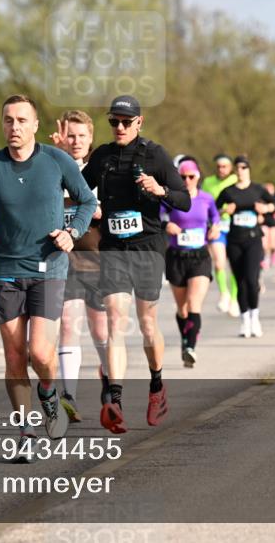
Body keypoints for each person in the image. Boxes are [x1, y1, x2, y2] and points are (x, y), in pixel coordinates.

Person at [0, 95, 96, 458]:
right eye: (8, 120)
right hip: (5, 269)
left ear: (36, 125)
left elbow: (87, 201)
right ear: (2, 124)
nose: (15, 127)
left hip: (49, 267)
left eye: (22, 120)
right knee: (14, 354)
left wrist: (73, 232)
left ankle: (49, 393)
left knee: (40, 352)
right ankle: (25, 431)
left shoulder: (57, 161)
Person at [80, 95, 190, 434]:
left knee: (146, 323)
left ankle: (157, 385)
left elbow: (183, 200)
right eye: (114, 121)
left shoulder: (155, 154)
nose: (120, 127)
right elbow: (78, 190)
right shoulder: (102, 157)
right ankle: (115, 402)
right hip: (113, 247)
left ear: (139, 123)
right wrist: (88, 206)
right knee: (116, 320)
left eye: (126, 122)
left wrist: (160, 190)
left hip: (147, 247)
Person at [48, 110, 108, 423]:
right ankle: (69, 394)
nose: (76, 141)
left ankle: (109, 382)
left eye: (82, 136)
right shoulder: (52, 167)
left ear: (90, 139)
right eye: (71, 136)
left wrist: (101, 210)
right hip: (65, 261)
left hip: (98, 260)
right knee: (69, 325)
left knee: (101, 331)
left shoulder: (101, 170)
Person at [163, 159, 220, 367]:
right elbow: (160, 215)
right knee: (182, 309)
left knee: (194, 304)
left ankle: (190, 347)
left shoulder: (206, 198)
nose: (187, 180)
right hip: (177, 257)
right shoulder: (172, 198)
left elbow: (216, 217)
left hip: (199, 256)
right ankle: (185, 340)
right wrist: (167, 224)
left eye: (191, 176)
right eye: (183, 176)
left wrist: (216, 228)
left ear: (198, 177)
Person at [216, 155, 275, 338]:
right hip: (234, 240)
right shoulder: (228, 191)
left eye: (244, 167)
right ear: (235, 170)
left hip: (253, 239)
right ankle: (244, 321)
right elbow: (214, 211)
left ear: (249, 169)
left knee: (251, 280)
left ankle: (255, 317)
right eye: (238, 168)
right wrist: (225, 210)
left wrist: (266, 209)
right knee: (240, 281)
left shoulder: (258, 189)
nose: (241, 171)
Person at [200, 155, 238, 314]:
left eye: (225, 166)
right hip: (217, 226)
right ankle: (224, 293)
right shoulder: (208, 182)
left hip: (236, 226)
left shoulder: (236, 180)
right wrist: (221, 211)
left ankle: (234, 299)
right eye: (219, 166)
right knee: (219, 262)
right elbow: (203, 204)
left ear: (231, 168)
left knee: (235, 265)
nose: (221, 169)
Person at [261, 182, 275, 270]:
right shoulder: (260, 200)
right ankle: (265, 259)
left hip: (273, 223)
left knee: (272, 243)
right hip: (264, 223)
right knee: (264, 244)